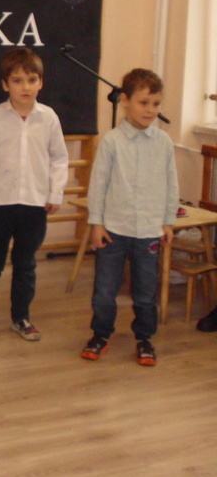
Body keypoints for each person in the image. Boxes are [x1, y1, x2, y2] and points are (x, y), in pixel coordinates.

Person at [0, 47, 68, 343]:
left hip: (35, 205)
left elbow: (59, 158)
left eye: (32, 80)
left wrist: (55, 192)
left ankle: (21, 318)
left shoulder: (48, 118)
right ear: (5, 84)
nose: (25, 87)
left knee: (26, 265)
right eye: (18, 80)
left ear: (41, 83)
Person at [81, 69, 178, 366]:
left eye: (156, 104)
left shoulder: (164, 143)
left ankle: (144, 338)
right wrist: (97, 223)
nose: (150, 110)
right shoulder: (111, 141)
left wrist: (168, 222)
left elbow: (171, 185)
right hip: (114, 229)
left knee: (146, 292)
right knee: (105, 291)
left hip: (149, 231)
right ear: (125, 101)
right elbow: (98, 185)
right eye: (143, 102)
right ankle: (101, 335)